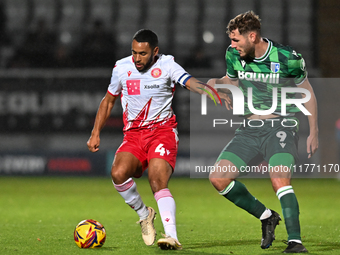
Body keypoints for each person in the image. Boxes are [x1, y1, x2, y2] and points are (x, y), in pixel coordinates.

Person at [87, 29, 210, 250]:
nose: (137, 58)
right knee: (118, 174)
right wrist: (96, 132)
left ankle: (171, 236)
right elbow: (108, 101)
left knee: (157, 181)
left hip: (162, 132)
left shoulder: (167, 65)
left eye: (142, 54)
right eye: (134, 52)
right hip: (134, 135)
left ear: (155, 51)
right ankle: (145, 215)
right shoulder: (121, 68)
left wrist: (211, 91)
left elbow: (189, 82)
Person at [208, 11, 318, 253]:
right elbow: (233, 80)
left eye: (236, 40)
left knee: (279, 179)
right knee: (218, 178)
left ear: (253, 36)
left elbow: (306, 90)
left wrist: (314, 131)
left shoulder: (288, 57)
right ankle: (267, 216)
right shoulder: (233, 55)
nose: (232, 45)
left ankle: (295, 241)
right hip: (249, 129)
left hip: (282, 125)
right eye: (231, 40)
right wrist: (218, 84)